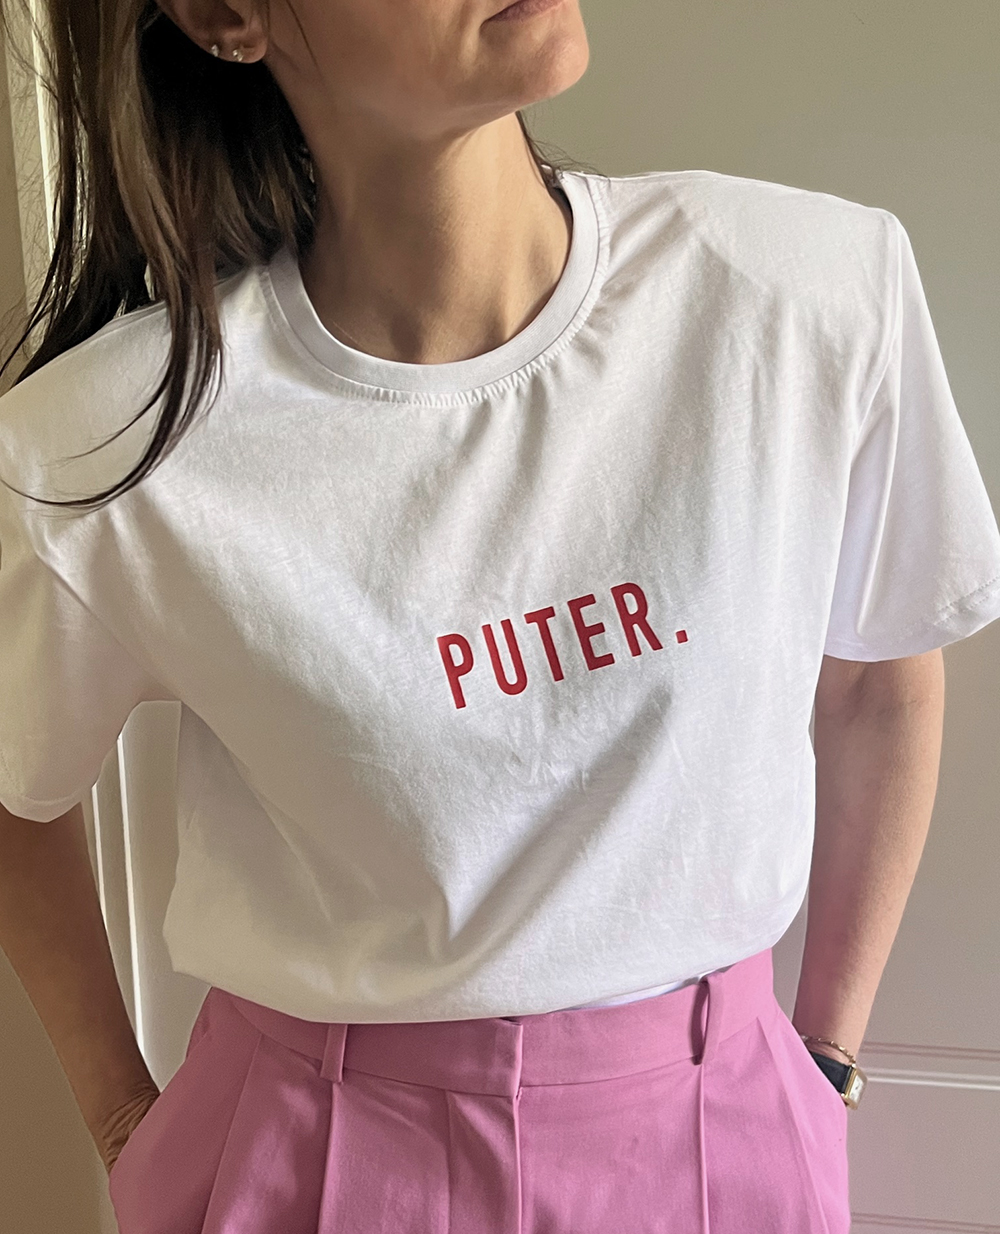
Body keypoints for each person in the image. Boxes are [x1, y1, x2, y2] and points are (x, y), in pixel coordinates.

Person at [1, 0, 999, 1230]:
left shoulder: (806, 292)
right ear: (226, 14)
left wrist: (826, 1055)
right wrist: (121, 1122)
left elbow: (876, 676)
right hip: (317, 1157)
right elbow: (15, 792)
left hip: (724, 1136)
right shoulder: (104, 453)